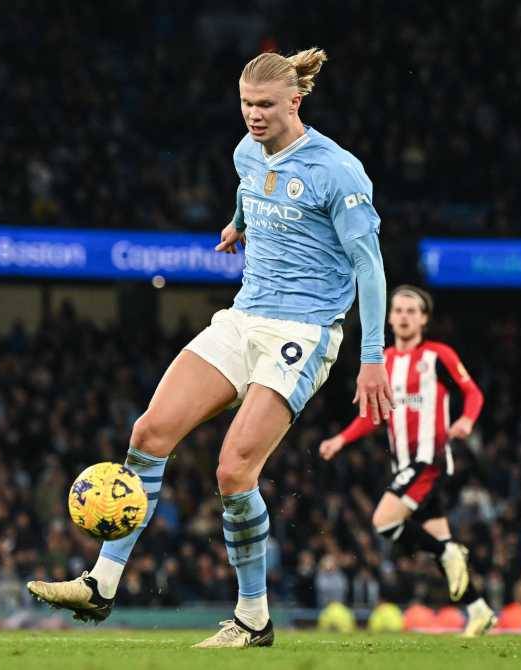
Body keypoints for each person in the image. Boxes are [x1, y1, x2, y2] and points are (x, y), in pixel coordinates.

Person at [28, 47, 394, 649]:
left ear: (295, 102)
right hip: (243, 316)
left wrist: (373, 357)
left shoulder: (339, 171)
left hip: (301, 331)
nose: (254, 115)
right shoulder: (245, 150)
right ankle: (102, 582)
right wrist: (237, 222)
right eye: (247, 104)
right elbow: (252, 189)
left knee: (232, 470)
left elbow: (371, 269)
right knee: (148, 433)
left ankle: (253, 618)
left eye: (267, 105)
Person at [318, 285, 496, 636]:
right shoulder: (383, 363)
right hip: (404, 464)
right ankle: (479, 611)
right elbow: (375, 416)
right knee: (437, 541)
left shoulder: (438, 355)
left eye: (411, 311)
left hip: (429, 459)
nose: (403, 316)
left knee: (384, 521)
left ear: (424, 319)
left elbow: (473, 392)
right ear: (389, 317)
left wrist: (466, 421)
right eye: (398, 310)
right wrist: (341, 438)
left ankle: (449, 552)